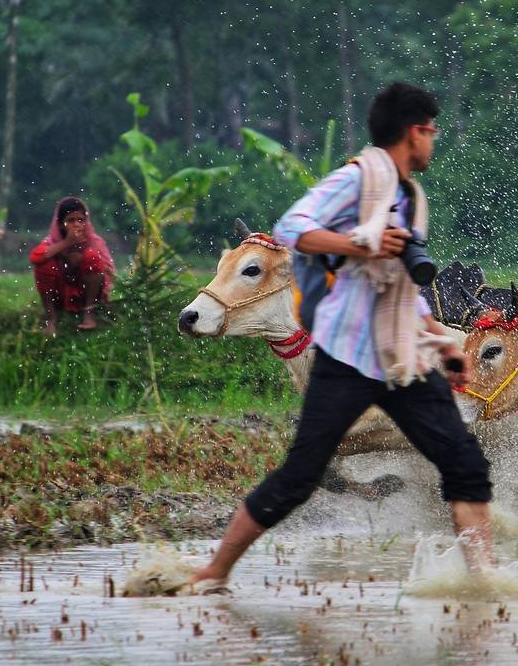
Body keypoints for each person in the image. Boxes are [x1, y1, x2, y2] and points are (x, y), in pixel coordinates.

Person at [188, 82, 494, 593]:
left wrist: (440, 339)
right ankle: (213, 572)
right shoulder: (355, 179)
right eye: (431, 132)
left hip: (402, 357)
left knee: (464, 464)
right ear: (413, 132)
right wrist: (362, 242)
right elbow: (293, 228)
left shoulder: (411, 196)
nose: (433, 142)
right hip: (348, 357)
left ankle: (484, 581)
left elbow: (396, 282)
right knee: (301, 475)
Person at [29, 196, 116, 334]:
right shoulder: (54, 241)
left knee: (92, 256)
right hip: (61, 296)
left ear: (86, 222)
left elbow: (108, 271)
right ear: (60, 224)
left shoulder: (94, 241)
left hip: (87, 295)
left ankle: (89, 313)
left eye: (80, 220)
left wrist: (82, 260)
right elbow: (34, 257)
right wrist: (66, 244)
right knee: (44, 264)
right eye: (70, 220)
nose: (76, 224)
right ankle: (51, 319)